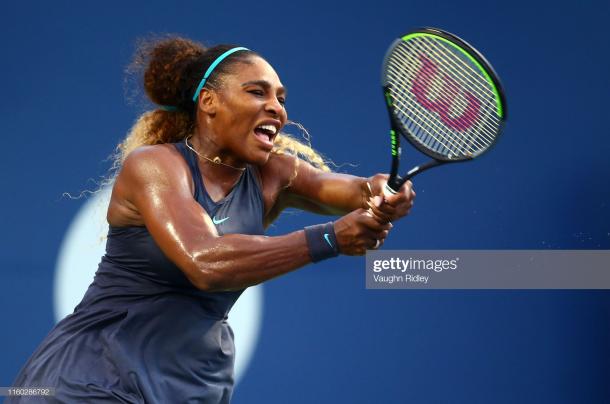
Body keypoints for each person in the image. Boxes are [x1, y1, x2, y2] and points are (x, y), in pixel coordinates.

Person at [8, 36, 415, 403]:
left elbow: (349, 190)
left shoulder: (273, 174)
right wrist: (329, 240)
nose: (277, 107)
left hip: (188, 387)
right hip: (91, 382)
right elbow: (204, 261)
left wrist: (379, 191)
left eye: (282, 98)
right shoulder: (154, 166)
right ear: (209, 103)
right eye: (257, 92)